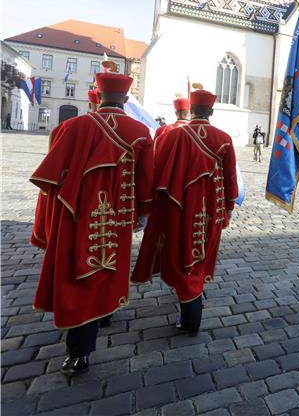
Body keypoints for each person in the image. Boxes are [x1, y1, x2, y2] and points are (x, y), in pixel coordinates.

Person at [29, 61, 154, 376]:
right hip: (118, 218)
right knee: (109, 270)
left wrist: (45, 223)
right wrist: (144, 213)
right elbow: (146, 181)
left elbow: (50, 183)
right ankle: (104, 314)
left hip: (75, 217)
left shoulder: (72, 127)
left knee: (77, 277)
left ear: (97, 95)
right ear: (125, 99)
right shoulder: (140, 132)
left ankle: (78, 353)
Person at [131, 88, 238, 335]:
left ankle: (190, 315)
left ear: (192, 111)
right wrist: (229, 208)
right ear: (211, 111)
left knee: (181, 254)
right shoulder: (223, 138)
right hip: (211, 206)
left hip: (176, 206)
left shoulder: (172, 136)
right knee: (201, 253)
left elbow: (156, 171)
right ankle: (193, 307)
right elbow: (230, 178)